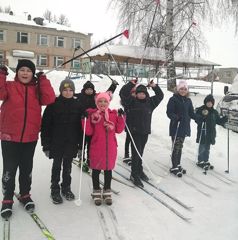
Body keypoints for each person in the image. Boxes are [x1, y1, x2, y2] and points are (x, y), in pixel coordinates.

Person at [0, 60, 55, 219]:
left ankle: (25, 195)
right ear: (16, 72)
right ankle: (7, 198)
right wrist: (1, 74)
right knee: (9, 169)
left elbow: (49, 99)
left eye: (28, 71)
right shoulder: (9, 87)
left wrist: (43, 80)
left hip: (29, 137)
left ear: (33, 74)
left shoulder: (37, 90)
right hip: (9, 136)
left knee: (26, 168)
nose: (25, 73)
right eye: (22, 70)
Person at [41, 78, 83, 204]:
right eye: (65, 90)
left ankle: (66, 187)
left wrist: (80, 145)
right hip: (56, 143)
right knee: (57, 166)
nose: (68, 92)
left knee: (67, 167)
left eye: (70, 90)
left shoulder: (78, 106)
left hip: (71, 142)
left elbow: (81, 128)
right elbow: (45, 126)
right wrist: (46, 145)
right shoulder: (53, 105)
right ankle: (55, 189)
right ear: (60, 91)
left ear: (74, 92)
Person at [82, 92, 125, 205]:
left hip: (110, 148)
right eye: (100, 101)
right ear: (96, 102)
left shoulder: (113, 114)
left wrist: (121, 117)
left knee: (108, 170)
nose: (102, 103)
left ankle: (107, 190)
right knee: (96, 170)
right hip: (97, 147)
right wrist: (84, 120)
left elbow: (119, 130)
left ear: (108, 102)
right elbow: (89, 131)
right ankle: (96, 190)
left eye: (105, 101)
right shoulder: (94, 115)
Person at [119, 80, 164, 188]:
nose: (141, 95)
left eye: (143, 93)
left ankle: (139, 170)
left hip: (144, 132)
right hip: (134, 132)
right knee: (136, 153)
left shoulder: (150, 102)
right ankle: (134, 174)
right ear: (136, 94)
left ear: (146, 94)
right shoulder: (131, 102)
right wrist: (131, 84)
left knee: (140, 152)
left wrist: (154, 86)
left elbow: (160, 95)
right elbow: (122, 93)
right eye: (139, 93)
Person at [74, 80, 118, 171]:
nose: (89, 91)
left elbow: (106, 95)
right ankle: (81, 159)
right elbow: (69, 95)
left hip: (92, 125)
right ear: (84, 89)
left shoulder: (96, 97)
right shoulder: (79, 96)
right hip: (81, 124)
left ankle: (90, 160)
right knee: (81, 144)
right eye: (87, 89)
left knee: (91, 144)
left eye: (91, 89)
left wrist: (113, 86)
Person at [166, 80, 197, 177]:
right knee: (176, 146)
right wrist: (175, 117)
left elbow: (191, 113)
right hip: (176, 126)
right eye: (181, 89)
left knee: (180, 147)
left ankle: (178, 164)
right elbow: (169, 112)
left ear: (187, 91)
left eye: (185, 89)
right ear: (178, 89)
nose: (183, 91)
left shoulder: (188, 100)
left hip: (184, 127)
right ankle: (174, 166)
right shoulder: (173, 99)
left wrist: (199, 118)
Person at [195, 94, 227, 170]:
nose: (209, 103)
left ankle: (206, 160)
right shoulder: (201, 109)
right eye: (208, 102)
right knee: (202, 146)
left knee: (207, 148)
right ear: (205, 102)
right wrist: (201, 118)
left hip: (211, 133)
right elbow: (196, 118)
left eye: (211, 102)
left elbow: (218, 121)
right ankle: (200, 161)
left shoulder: (214, 112)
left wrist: (224, 119)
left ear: (213, 103)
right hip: (203, 131)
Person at [121, 84, 137, 165]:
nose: (134, 94)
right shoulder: (128, 100)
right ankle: (126, 154)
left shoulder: (138, 100)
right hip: (129, 122)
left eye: (135, 93)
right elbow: (125, 104)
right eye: (132, 93)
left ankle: (134, 156)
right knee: (128, 139)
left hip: (136, 123)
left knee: (134, 140)